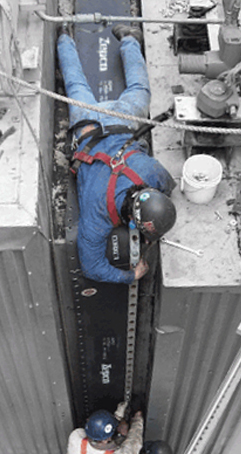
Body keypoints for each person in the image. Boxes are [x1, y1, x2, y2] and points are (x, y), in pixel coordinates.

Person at [57, 24, 177, 284]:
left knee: (139, 89)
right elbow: (92, 268)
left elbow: (167, 184)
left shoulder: (148, 173)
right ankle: (65, 37)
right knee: (75, 87)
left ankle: (126, 38)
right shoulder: (98, 215)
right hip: (88, 127)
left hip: (118, 121)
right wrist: (131, 275)